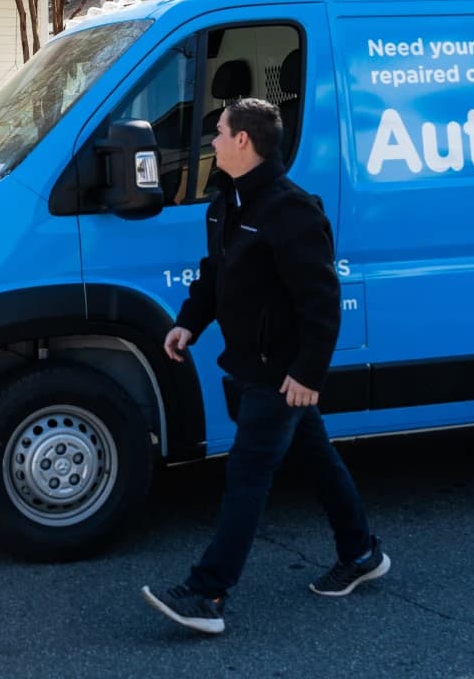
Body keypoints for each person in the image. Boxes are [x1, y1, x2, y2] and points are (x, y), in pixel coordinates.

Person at [141, 98, 389, 636]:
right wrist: (189, 323)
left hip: (281, 372)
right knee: (318, 460)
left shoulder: (292, 211)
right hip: (251, 363)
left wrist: (307, 374)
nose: (212, 141)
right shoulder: (225, 203)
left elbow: (321, 301)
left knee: (246, 478)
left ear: (243, 141)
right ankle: (360, 552)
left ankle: (207, 592)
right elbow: (214, 273)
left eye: (219, 132)